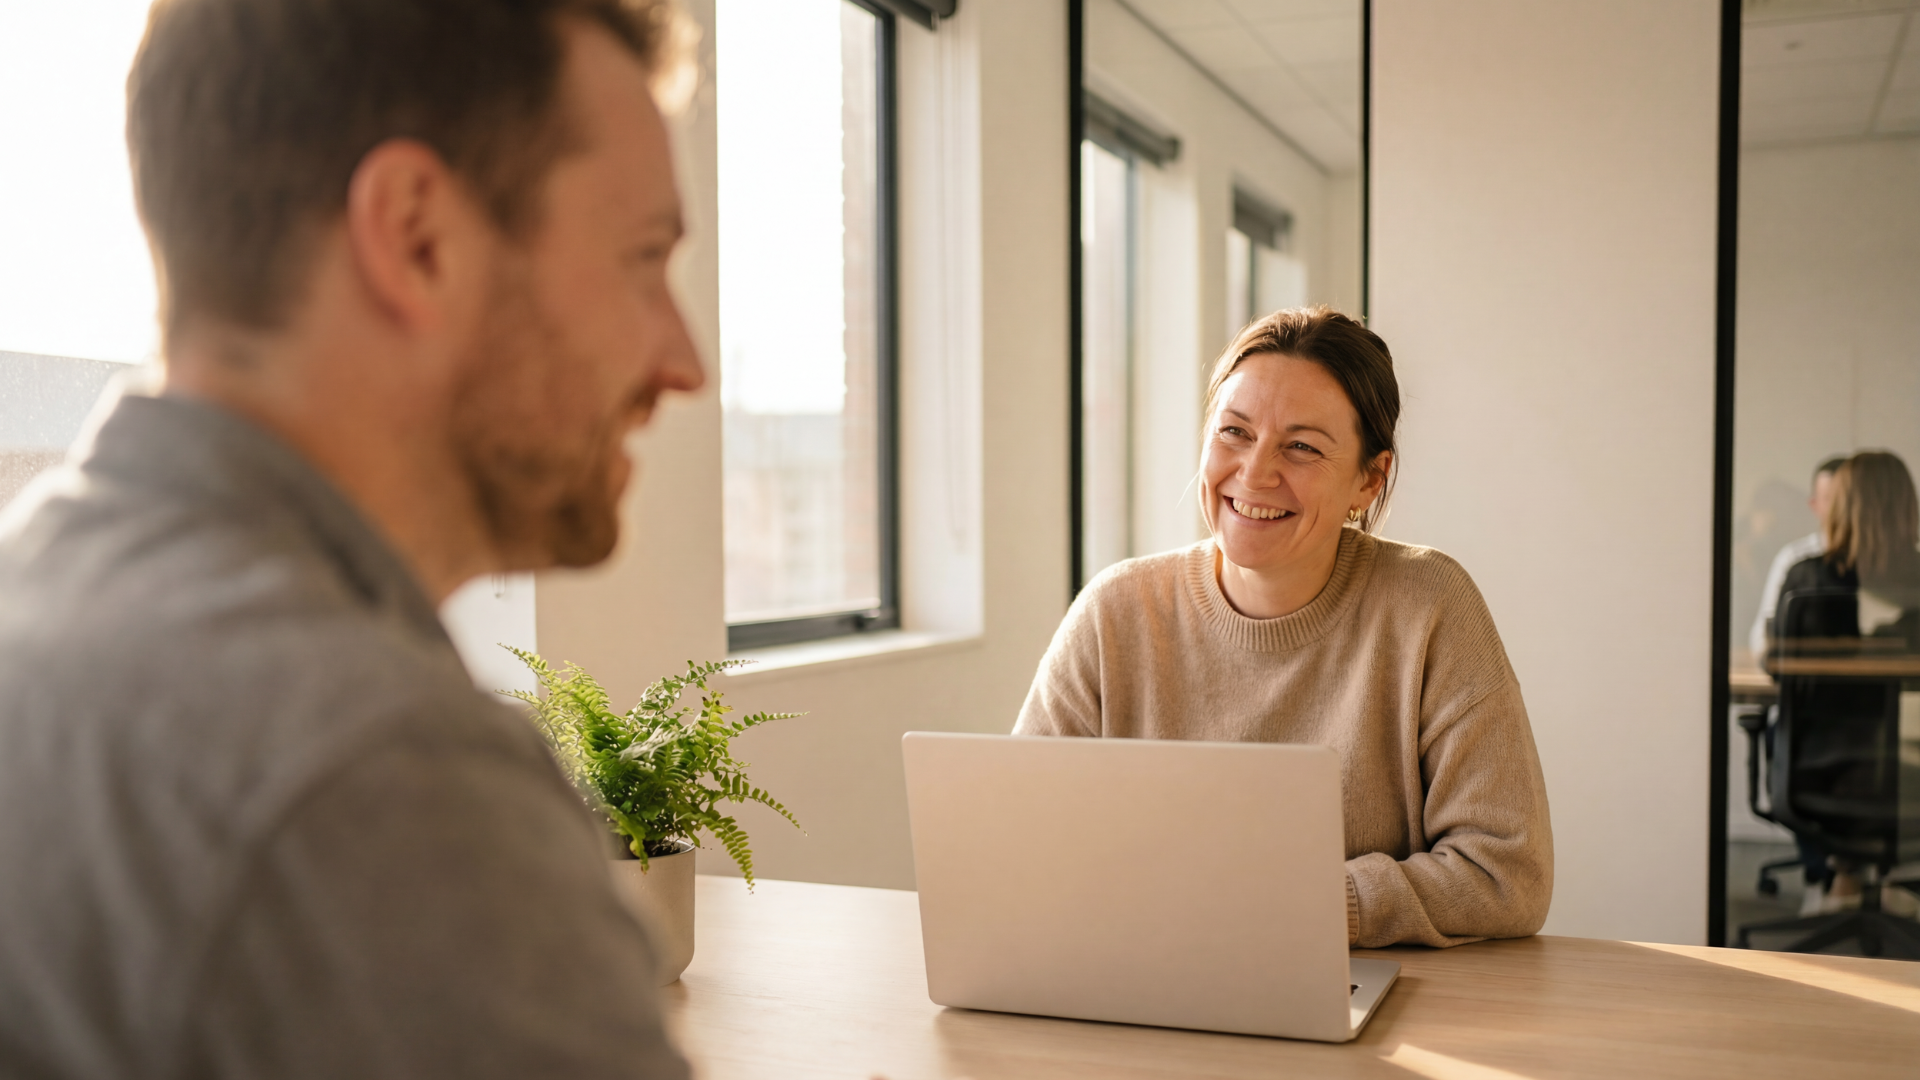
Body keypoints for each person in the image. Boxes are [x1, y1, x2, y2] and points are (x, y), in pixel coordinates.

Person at [0, 1, 704, 1076]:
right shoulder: (382, 777)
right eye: (643, 259)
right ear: (417, 236)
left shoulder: (37, 599)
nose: (682, 359)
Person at [1016, 307, 1552, 949]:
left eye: (1301, 447)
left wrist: (1309, 908)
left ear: (1368, 479)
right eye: (1234, 432)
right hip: (1142, 969)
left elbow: (1507, 874)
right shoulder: (1113, 613)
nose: (1254, 473)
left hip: (1359, 990)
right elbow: (1021, 843)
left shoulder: (1429, 606)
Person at [1768, 450, 1920, 916]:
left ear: (1841, 506)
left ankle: (1845, 875)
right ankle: (1886, 879)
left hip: (1818, 775)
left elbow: (1772, 662)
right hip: (1908, 775)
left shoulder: (1805, 580)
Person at [1748, 456, 1848, 662]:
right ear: (1814, 505)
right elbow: (1761, 637)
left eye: (1846, 499)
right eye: (1830, 499)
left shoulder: (1874, 560)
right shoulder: (1793, 558)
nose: (1840, 509)